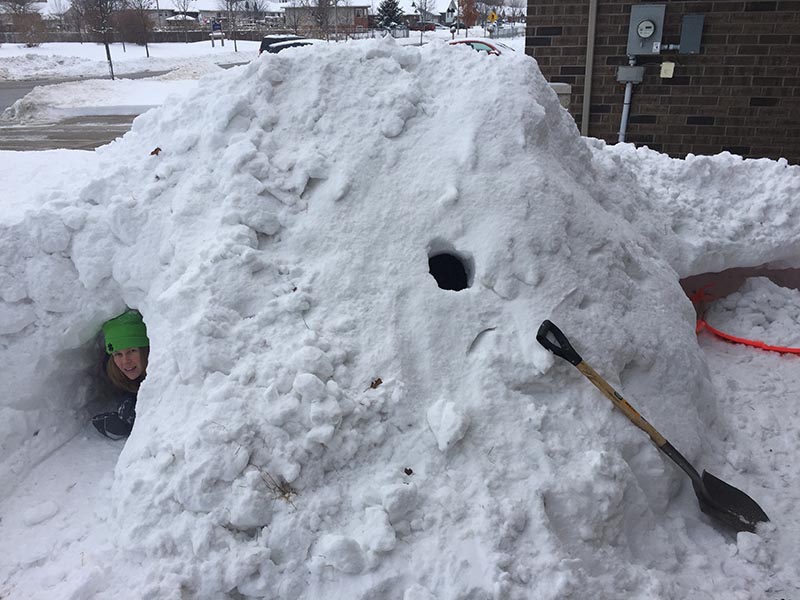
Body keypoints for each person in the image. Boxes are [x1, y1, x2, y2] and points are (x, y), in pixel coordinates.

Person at [91, 309, 149, 439]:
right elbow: (121, 389)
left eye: (132, 351)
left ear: (145, 350)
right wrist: (126, 400)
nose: (125, 361)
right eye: (118, 354)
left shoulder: (165, 372)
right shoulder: (113, 371)